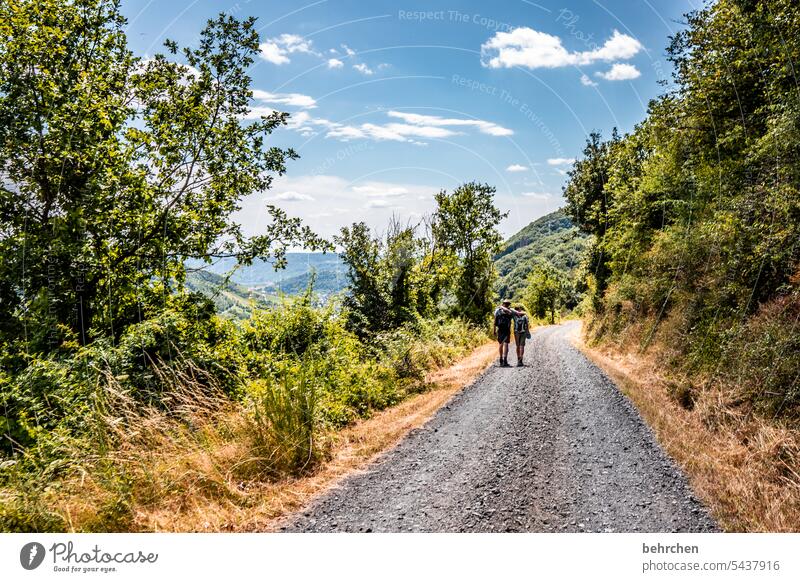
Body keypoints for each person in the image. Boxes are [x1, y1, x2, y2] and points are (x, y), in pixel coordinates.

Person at [493, 300, 514, 367]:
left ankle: (501, 359)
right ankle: (505, 360)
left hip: (500, 330)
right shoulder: (509, 311)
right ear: (508, 304)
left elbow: (495, 321)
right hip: (506, 330)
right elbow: (511, 315)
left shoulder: (497, 311)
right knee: (506, 344)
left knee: (500, 344)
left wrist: (494, 331)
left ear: (503, 304)